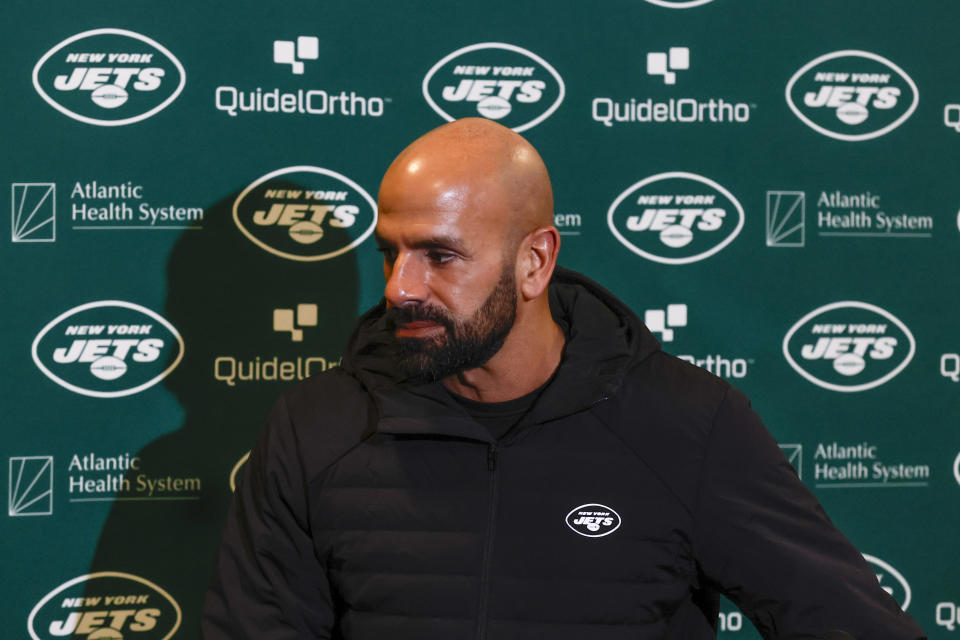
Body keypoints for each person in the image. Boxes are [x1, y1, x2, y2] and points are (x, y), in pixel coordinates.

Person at [202, 118, 925, 639]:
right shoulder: (316, 428)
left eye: (439, 256)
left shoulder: (686, 422)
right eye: (391, 253)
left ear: (534, 262)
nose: (400, 287)